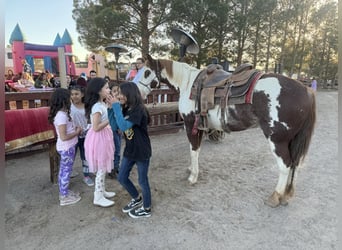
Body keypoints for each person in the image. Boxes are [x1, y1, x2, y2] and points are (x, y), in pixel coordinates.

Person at [106, 81, 152, 218]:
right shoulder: (125, 108)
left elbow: (124, 126)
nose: (118, 96)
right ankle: (136, 198)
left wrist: (115, 106)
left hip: (142, 150)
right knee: (122, 177)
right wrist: (110, 109)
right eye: (117, 93)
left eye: (121, 93)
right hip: (130, 149)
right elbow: (115, 127)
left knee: (142, 181)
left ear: (129, 94)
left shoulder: (139, 110)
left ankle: (147, 208)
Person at [84, 77, 116, 207]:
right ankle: (98, 196)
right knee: (101, 168)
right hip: (99, 138)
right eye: (107, 88)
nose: (109, 90)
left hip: (104, 136)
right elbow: (96, 127)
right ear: (98, 91)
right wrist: (111, 120)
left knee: (103, 166)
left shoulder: (101, 104)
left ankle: (102, 191)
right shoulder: (97, 106)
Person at [48, 88, 82, 206]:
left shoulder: (62, 113)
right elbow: (63, 136)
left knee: (64, 170)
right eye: (69, 97)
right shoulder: (61, 116)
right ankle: (64, 197)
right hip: (67, 147)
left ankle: (65, 192)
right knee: (65, 172)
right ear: (63, 100)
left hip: (68, 147)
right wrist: (76, 132)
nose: (71, 99)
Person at [70, 85, 95, 187]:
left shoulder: (87, 106)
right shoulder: (69, 107)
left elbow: (91, 120)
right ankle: (68, 173)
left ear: (82, 94)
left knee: (85, 157)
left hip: (86, 136)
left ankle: (86, 176)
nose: (74, 96)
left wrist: (87, 128)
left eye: (77, 94)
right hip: (73, 136)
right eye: (72, 94)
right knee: (71, 156)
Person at [107, 82, 122, 178]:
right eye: (114, 91)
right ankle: (113, 168)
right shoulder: (110, 104)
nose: (116, 93)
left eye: (118, 91)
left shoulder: (119, 102)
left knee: (118, 148)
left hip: (118, 129)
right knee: (114, 150)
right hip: (112, 130)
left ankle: (116, 167)